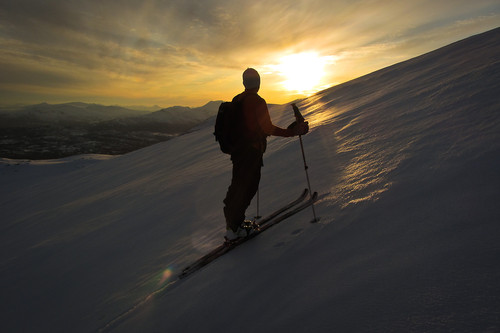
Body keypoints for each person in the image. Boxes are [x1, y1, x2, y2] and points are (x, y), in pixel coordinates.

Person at [224, 68, 309, 240]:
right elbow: (267, 128)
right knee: (248, 187)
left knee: (238, 186)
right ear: (259, 82)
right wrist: (291, 132)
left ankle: (233, 224)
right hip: (251, 152)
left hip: (238, 151)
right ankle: (235, 229)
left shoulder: (237, 99)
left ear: (243, 83)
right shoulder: (257, 101)